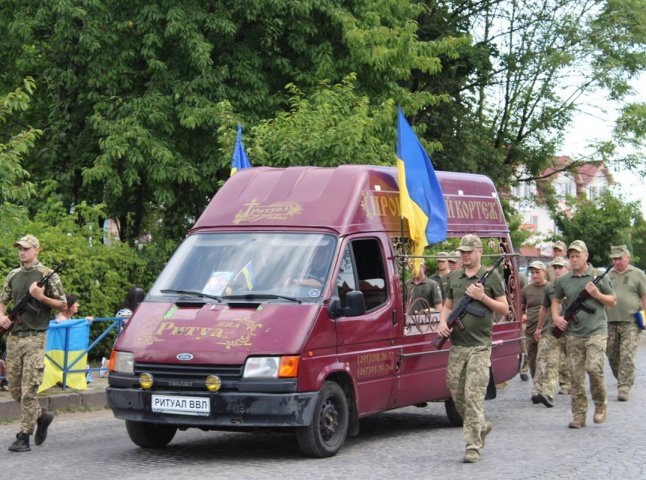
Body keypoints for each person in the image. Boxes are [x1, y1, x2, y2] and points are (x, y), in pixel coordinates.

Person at [437, 234, 508, 463]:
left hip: (479, 346)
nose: (465, 255)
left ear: (479, 252)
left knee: (474, 395)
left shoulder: (492, 276)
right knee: (456, 393)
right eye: (462, 252)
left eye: (469, 251)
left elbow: (504, 309)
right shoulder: (454, 277)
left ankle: (473, 446)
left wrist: (482, 297)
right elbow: (447, 305)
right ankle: (480, 425)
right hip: (458, 345)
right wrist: (442, 322)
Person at [0, 235, 66, 452]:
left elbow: (63, 305)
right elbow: (3, 300)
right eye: (20, 248)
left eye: (26, 248)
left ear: (37, 250)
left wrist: (41, 297)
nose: (22, 252)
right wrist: (2, 316)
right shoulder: (13, 275)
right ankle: (41, 416)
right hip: (14, 338)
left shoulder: (47, 275)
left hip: (36, 337)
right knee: (15, 390)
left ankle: (23, 436)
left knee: (29, 390)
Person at [551, 240, 616, 429]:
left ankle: (600, 404)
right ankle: (579, 415)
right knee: (575, 376)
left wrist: (596, 294)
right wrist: (557, 318)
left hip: (596, 331)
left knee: (594, 368)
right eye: (571, 256)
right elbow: (555, 301)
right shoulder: (564, 280)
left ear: (586, 256)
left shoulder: (598, 277)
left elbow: (612, 301)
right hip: (573, 334)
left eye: (577, 255)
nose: (574, 259)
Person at [606, 245, 646, 402]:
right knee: (611, 354)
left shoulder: (637, 274)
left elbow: (644, 296)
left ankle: (624, 387)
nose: (616, 262)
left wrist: (645, 318)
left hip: (631, 321)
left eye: (619, 258)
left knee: (627, 355)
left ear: (627, 258)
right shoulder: (608, 275)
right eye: (614, 259)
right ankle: (624, 377)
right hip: (610, 321)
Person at [531, 256, 569, 408]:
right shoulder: (550, 288)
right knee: (547, 360)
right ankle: (544, 392)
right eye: (555, 267)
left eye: (561, 267)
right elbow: (544, 308)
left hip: (573, 331)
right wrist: (539, 327)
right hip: (552, 330)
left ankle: (569, 385)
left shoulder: (577, 285)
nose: (558, 270)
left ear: (568, 268)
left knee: (572, 362)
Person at [520, 261, 548, 387]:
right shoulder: (526, 290)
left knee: (543, 358)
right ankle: (537, 385)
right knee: (532, 360)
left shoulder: (551, 288)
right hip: (530, 329)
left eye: (537, 272)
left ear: (544, 272)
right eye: (532, 273)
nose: (534, 275)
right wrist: (523, 315)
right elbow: (521, 308)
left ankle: (542, 388)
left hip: (547, 330)